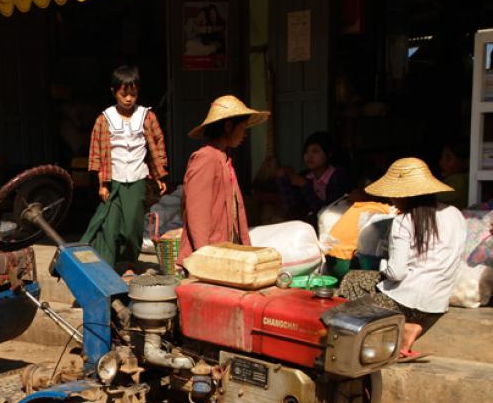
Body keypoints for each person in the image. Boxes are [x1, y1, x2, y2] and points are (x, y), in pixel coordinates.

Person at [338, 158, 466, 360]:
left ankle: (373, 340)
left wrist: (383, 266)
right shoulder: (455, 214)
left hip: (407, 302)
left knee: (352, 281)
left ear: (404, 196)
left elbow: (397, 273)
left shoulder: (404, 221)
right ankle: (409, 329)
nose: (391, 200)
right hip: (438, 304)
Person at [84, 65, 168, 268]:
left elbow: (156, 146)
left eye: (133, 94)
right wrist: (102, 184)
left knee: (132, 226)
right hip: (113, 180)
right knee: (110, 226)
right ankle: (107, 267)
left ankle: (128, 261)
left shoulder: (147, 117)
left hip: (137, 179)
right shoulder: (104, 120)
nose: (129, 99)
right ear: (114, 92)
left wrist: (159, 176)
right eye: (124, 94)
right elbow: (98, 154)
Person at [178, 95, 269, 265]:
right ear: (228, 126)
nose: (245, 134)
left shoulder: (223, 159)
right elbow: (198, 213)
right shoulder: (206, 158)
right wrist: (204, 257)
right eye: (242, 128)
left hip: (222, 253)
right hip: (208, 257)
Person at [277, 131, 352, 229]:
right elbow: (294, 208)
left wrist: (305, 186)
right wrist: (283, 178)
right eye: (306, 152)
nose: (309, 156)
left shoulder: (339, 176)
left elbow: (327, 211)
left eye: (315, 151)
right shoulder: (305, 176)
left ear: (329, 154)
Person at [436, 140, 469, 209]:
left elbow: (430, 196)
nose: (441, 163)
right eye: (442, 158)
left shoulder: (459, 181)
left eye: (448, 158)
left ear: (465, 162)